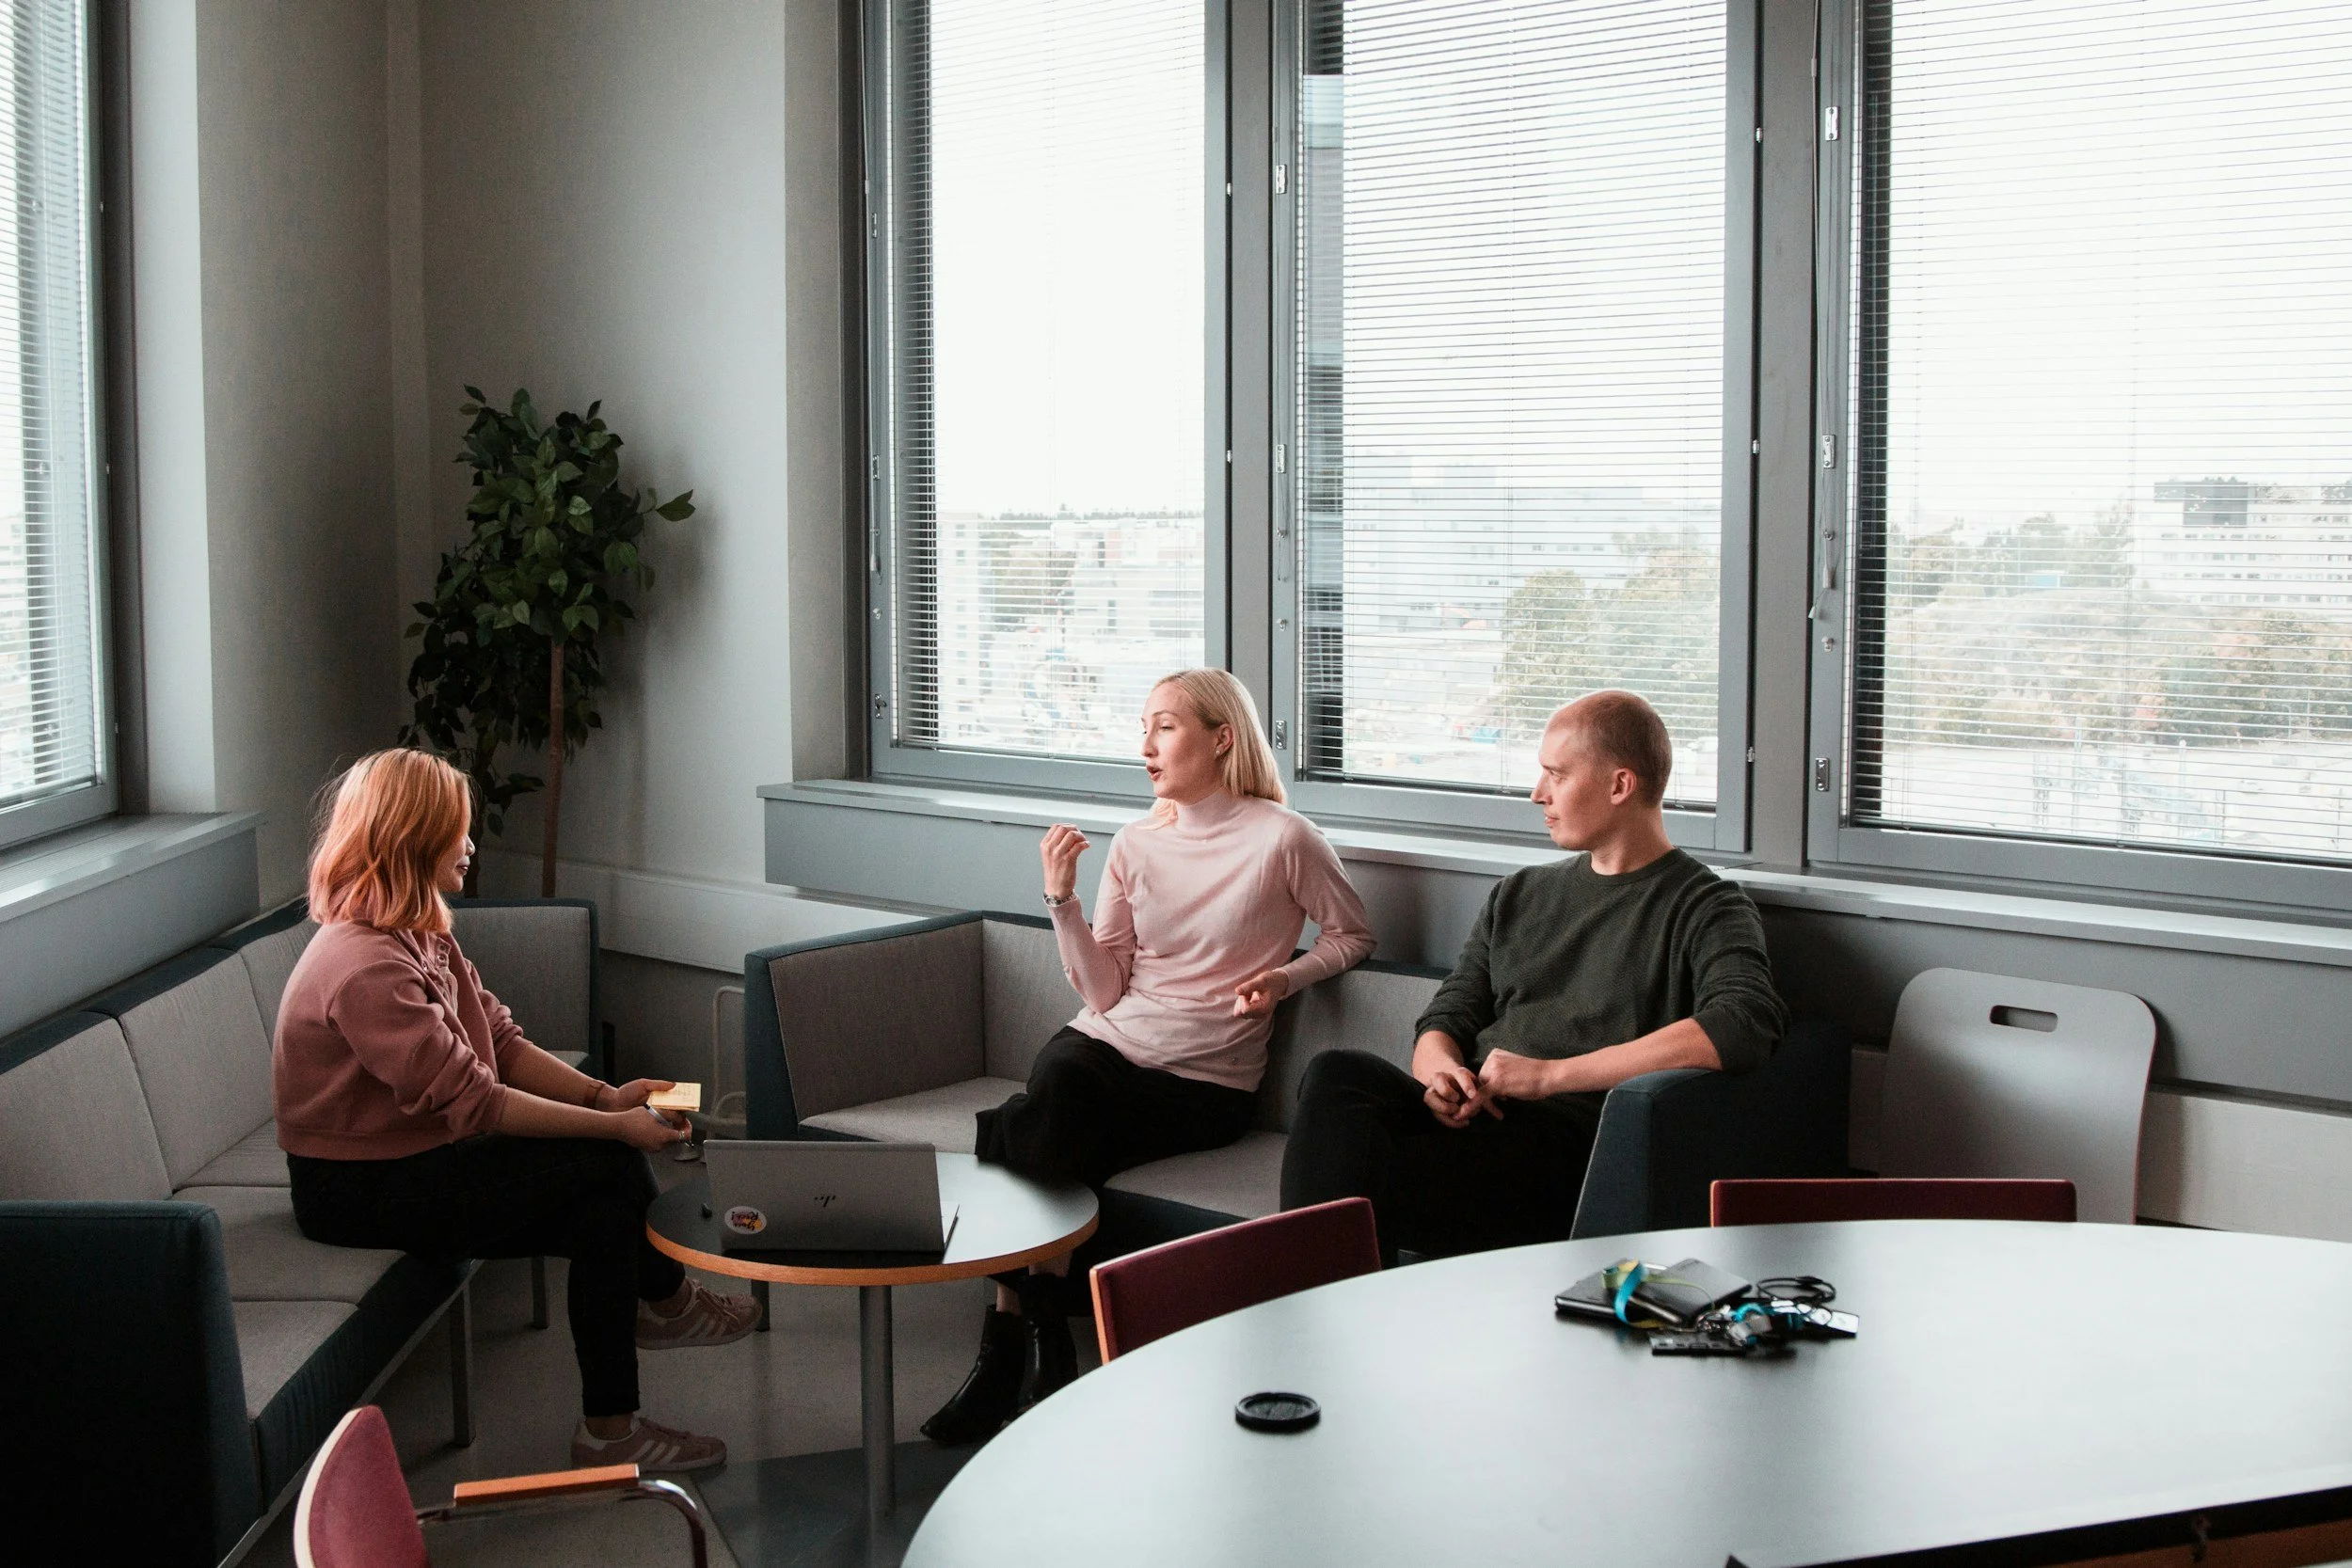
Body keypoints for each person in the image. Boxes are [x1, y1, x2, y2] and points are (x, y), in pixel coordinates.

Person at [923, 669, 1375, 1445]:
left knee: (1021, 1124)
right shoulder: (1136, 842)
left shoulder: (1283, 839)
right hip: (1108, 1046)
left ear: (1222, 736)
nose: (1145, 745)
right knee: (1056, 1091)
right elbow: (1102, 993)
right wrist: (1061, 898)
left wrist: (1284, 976)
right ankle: (1038, 1343)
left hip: (1203, 1080)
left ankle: (1011, 1349)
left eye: (1164, 726)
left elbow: (1353, 934)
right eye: (1143, 727)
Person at [275, 749, 759, 1473]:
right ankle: (666, 1300)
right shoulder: (364, 964)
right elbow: (476, 1102)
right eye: (457, 831)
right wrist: (615, 1126)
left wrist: (605, 1094)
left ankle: (609, 1429)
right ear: (413, 839)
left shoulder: (418, 930)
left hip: (411, 1157)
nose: (470, 844)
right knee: (608, 1159)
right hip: (352, 1188)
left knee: (603, 1215)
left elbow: (498, 1039)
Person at [1278, 690, 1787, 1262]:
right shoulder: (1520, 894)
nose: (1537, 793)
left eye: (1556, 775)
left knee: (1351, 1196)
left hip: (1562, 1143)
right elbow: (1448, 1015)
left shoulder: (1706, 905)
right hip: (1471, 1120)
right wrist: (1441, 1075)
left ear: (1620, 786)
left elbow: (1743, 1023)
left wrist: (1549, 1077)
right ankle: (1310, 1286)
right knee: (1338, 1075)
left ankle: (1300, 1294)